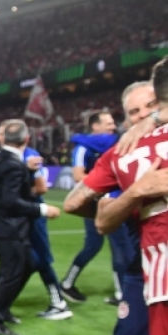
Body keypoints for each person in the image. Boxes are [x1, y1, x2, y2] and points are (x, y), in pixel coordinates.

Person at [63, 72, 168, 335]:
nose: (143, 115)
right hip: (140, 274)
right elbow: (76, 204)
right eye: (134, 112)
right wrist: (133, 197)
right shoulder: (122, 153)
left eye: (151, 106)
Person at [0, 120, 72, 321]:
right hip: (17, 216)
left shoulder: (28, 154)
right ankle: (0, 300)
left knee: (39, 259)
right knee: (15, 261)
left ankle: (58, 302)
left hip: (30, 215)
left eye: (1, 133)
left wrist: (26, 191)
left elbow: (40, 188)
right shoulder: (7, 156)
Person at [61, 111, 128, 304]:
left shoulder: (114, 144)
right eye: (108, 123)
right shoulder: (82, 149)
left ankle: (120, 292)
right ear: (95, 126)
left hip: (109, 200)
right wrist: (103, 184)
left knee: (116, 245)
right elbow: (78, 176)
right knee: (99, 246)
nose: (113, 126)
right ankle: (67, 283)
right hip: (93, 203)